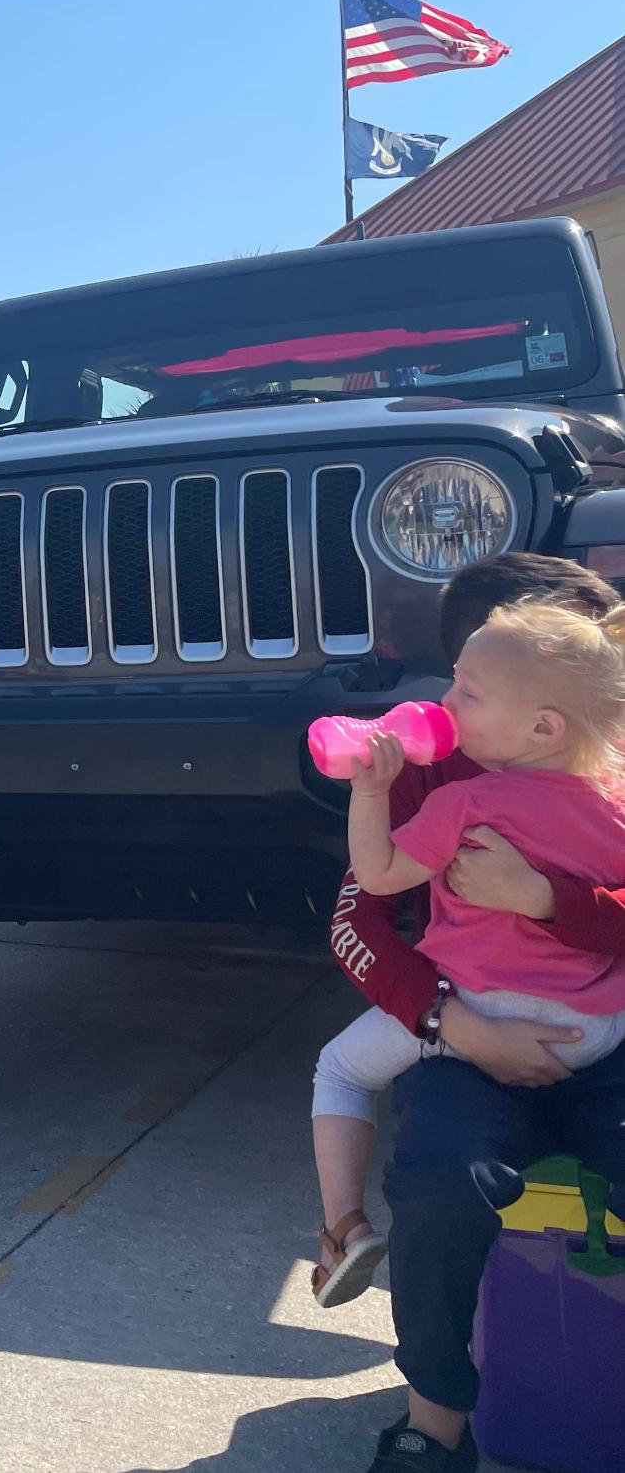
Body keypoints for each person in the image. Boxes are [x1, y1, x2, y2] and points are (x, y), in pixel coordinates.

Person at [320, 552, 625, 1472]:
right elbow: (357, 914)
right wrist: (450, 1023)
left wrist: (548, 899)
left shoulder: (607, 765)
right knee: (441, 1178)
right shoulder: (428, 767)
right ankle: (435, 1420)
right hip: (465, 1033)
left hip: (604, 1039)